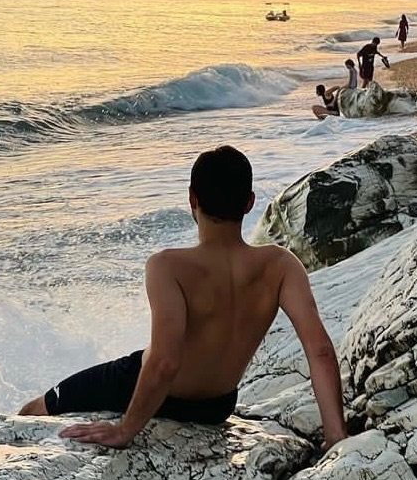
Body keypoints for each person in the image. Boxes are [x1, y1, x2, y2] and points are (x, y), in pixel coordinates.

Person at [19, 146, 349, 450]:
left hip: (148, 388)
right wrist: (336, 435)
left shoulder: (167, 266)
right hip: (216, 406)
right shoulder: (281, 265)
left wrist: (125, 430)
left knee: (35, 409)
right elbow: (318, 350)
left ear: (192, 200)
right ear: (249, 202)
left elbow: (165, 362)